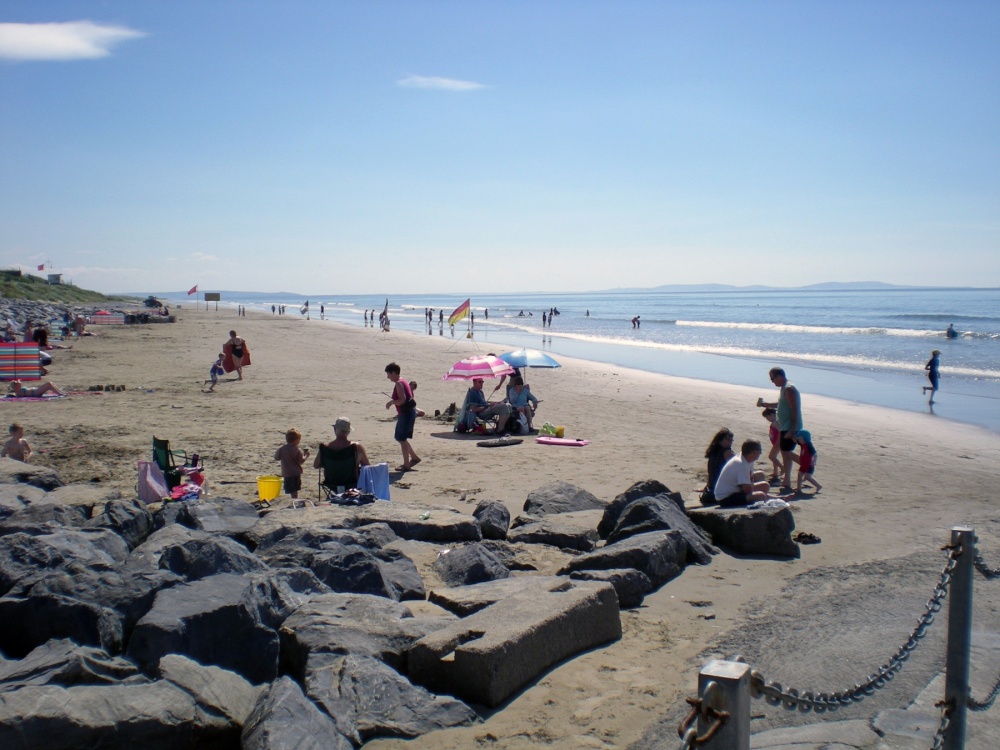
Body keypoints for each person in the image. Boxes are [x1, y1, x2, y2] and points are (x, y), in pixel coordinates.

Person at [761, 367, 802, 492]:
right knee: (785, 453)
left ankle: (804, 466)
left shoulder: (789, 388)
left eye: (773, 378)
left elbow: (795, 410)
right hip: (785, 426)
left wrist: (792, 429)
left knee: (787, 453)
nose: (772, 381)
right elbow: (781, 405)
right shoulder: (784, 389)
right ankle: (787, 480)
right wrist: (766, 405)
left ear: (780, 376)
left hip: (790, 426)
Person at [714, 439, 771, 507]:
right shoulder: (741, 464)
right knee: (761, 496)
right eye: (760, 451)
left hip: (736, 490)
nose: (760, 453)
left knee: (764, 484)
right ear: (754, 452)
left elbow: (750, 481)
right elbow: (747, 490)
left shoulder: (747, 459)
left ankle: (768, 498)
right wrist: (769, 497)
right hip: (725, 498)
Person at [385, 362, 420, 471]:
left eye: (389, 374)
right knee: (401, 438)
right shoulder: (403, 381)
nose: (388, 377)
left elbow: (402, 401)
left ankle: (406, 465)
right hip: (409, 413)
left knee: (401, 438)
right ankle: (414, 457)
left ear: (394, 373)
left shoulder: (399, 383)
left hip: (406, 414)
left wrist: (391, 402)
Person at [700, 428, 735, 505]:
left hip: (714, 487)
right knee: (759, 477)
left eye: (731, 440)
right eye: (727, 439)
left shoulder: (712, 453)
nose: (730, 442)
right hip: (723, 489)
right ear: (720, 441)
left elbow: (710, 474)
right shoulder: (727, 452)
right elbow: (738, 468)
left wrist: (707, 487)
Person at [274, 428, 310, 500]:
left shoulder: (282, 448)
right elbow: (301, 460)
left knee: (290, 488)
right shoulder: (297, 449)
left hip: (287, 473)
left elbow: (276, 457)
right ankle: (295, 500)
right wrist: (306, 455)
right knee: (295, 489)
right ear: (296, 440)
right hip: (295, 472)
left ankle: (294, 499)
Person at [761, 407, 783, 481]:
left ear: (772, 415)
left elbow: (781, 432)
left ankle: (783, 468)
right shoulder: (774, 422)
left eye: (767, 417)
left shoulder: (776, 422)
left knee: (771, 456)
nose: (767, 419)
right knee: (774, 457)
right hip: (775, 443)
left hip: (778, 443)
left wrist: (778, 442)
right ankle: (776, 472)